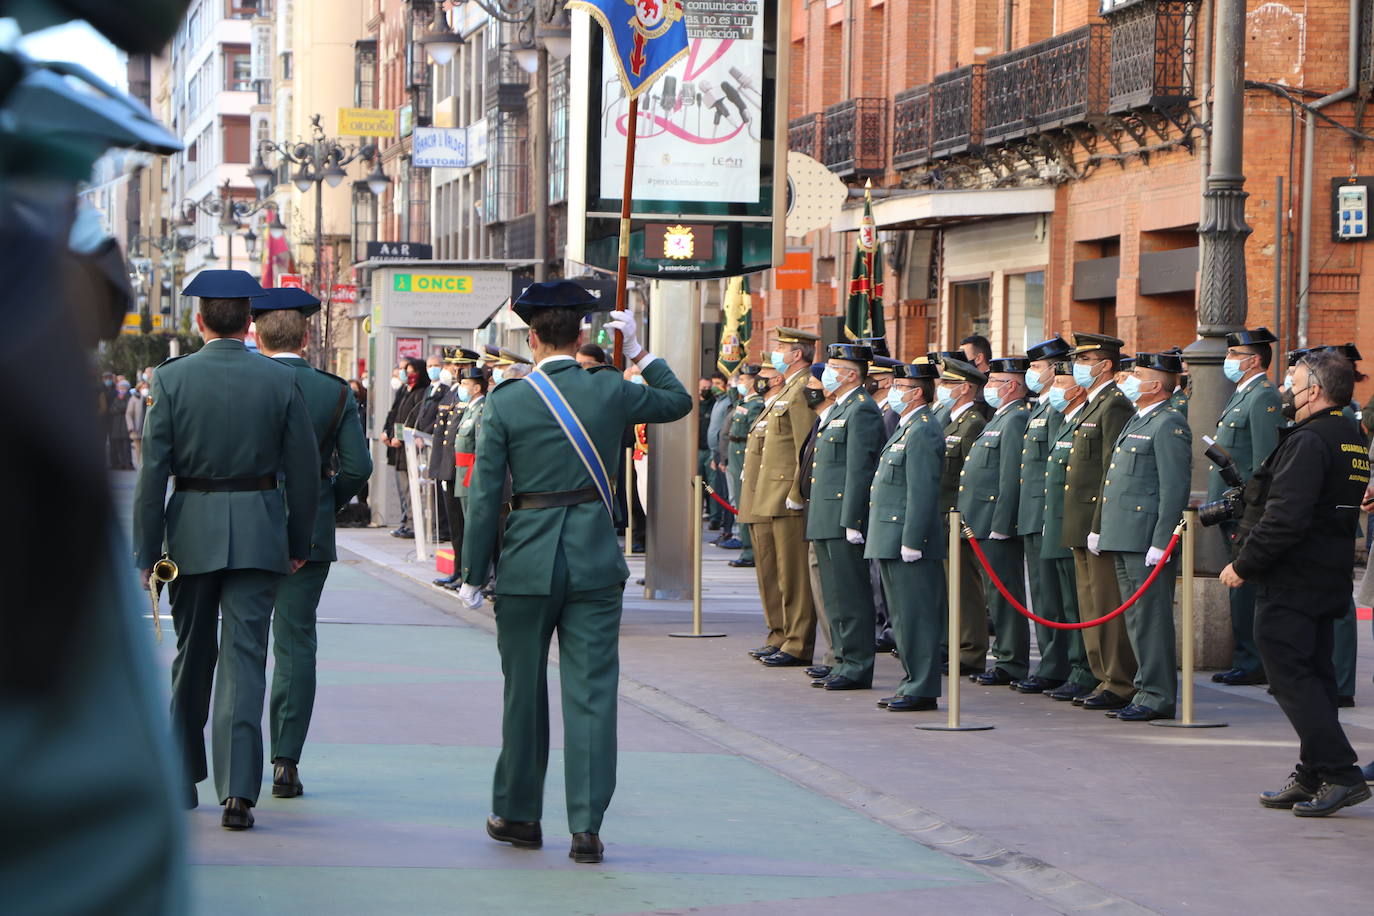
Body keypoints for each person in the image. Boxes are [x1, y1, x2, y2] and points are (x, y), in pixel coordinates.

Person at [456, 280, 691, 863]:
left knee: (523, 694)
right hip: (592, 561)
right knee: (591, 693)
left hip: (527, 561)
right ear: (584, 333)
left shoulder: (507, 401)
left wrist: (471, 570)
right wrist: (638, 350)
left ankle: (517, 813)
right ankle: (586, 825)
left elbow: (484, 497)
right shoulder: (610, 389)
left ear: (531, 337)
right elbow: (677, 399)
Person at [132, 270, 319, 830]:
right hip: (261, 530)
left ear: (199, 320)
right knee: (245, 657)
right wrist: (297, 541)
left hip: (190, 530)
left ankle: (182, 773)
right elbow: (304, 473)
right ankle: (238, 791)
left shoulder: (170, 380)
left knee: (192, 654)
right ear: (249, 323)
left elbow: (152, 477)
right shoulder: (279, 382)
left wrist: (145, 552)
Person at [1223, 349, 1370, 816]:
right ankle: (1312, 773)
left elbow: (1285, 517)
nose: (1288, 387)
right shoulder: (1348, 433)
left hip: (1295, 576)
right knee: (1316, 675)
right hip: (1326, 572)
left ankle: (1341, 772)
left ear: (1316, 390)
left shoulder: (1310, 440)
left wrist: (1244, 565)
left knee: (1290, 678)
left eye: (1295, 380)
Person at [250, 287, 371, 796]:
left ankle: (235, 765)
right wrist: (325, 500)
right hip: (309, 531)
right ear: (305, 336)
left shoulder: (245, 380)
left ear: (256, 333)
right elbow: (358, 468)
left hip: (246, 524)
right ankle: (286, 762)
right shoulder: (333, 390)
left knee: (242, 645)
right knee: (296, 643)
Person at [1097, 352, 1191, 721]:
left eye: (1137, 374)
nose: (1129, 379)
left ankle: (1158, 694)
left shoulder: (1168, 423)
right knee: (1136, 619)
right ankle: (1143, 688)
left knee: (1150, 618)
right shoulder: (1141, 418)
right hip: (1125, 534)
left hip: (1145, 538)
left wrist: (1162, 540)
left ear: (1155, 385)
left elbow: (1174, 487)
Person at [1063, 333, 1137, 711]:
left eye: (1086, 358)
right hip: (1079, 520)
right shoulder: (1094, 403)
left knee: (1105, 604)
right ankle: (1100, 674)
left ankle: (1119, 681)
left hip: (1097, 521)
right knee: (1089, 605)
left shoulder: (1114, 405)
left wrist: (1098, 525)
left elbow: (1110, 470)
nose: (1079, 365)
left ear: (1105, 364)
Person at [868, 360, 946, 711]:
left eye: (900, 387)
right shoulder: (907, 426)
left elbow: (922, 491)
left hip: (907, 539)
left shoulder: (924, 429)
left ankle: (922, 686)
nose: (893, 392)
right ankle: (911, 681)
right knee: (902, 616)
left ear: (916, 392)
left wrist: (913, 539)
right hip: (890, 536)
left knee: (916, 616)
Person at [1209, 328, 1285, 688]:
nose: (1229, 361)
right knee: (1239, 584)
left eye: (1235, 354)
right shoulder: (1243, 394)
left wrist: (1252, 508)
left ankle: (1252, 659)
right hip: (1232, 505)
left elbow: (1265, 461)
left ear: (1253, 359)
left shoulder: (1262, 396)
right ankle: (1247, 656)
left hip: (1245, 509)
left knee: (1246, 584)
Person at [806, 344, 884, 688]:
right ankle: (840, 658)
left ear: (852, 374)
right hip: (824, 512)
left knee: (850, 594)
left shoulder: (861, 410)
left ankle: (856, 664)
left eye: (836, 366)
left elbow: (859, 469)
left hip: (841, 514)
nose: (828, 372)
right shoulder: (840, 408)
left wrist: (854, 519)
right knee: (833, 593)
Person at [746, 328, 822, 666]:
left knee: (793, 574)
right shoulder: (786, 391)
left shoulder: (801, 389)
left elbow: (805, 448)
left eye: (781, 348)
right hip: (768, 493)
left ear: (797, 354)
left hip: (786, 495)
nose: (776, 352)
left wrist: (797, 492)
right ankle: (780, 634)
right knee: (775, 571)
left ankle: (797, 642)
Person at [959, 357, 1033, 686]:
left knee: (1004, 594)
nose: (988, 388)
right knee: (994, 593)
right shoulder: (999, 418)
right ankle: (1004, 656)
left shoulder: (1015, 419)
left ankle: (1011, 660)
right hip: (981, 520)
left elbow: (1009, 476)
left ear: (1011, 386)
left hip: (994, 522)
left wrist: (1002, 523)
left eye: (994, 382)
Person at [1012, 337, 1075, 694]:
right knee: (1042, 591)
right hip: (1034, 510)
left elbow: (1055, 465)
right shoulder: (1041, 406)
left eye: (1037, 367)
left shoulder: (1057, 408)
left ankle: (1057, 664)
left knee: (1053, 594)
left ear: (1055, 368)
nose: (1031, 374)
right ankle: (1051, 660)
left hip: (1048, 512)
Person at [1041, 362, 1098, 702]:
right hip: (1058, 521)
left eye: (1060, 382)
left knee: (1078, 603)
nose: (1053, 388)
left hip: (1075, 523)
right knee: (1064, 600)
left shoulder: (1083, 420)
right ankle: (1074, 667)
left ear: (1077, 389)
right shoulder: (1062, 420)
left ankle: (1084, 670)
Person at [936, 357, 988, 674]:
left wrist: (962, 518)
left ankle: (970, 651)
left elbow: (968, 477)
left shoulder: (972, 424)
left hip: (957, 518)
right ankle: (951, 644)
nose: (942, 389)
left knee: (964, 589)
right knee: (947, 586)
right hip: (940, 516)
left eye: (948, 384)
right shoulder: (947, 419)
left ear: (965, 388)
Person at [432, 347, 478, 586]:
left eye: (461, 367)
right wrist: (437, 468)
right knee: (455, 525)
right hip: (448, 467)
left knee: (466, 524)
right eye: (453, 366)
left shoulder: (473, 397)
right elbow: (441, 434)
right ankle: (458, 569)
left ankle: (468, 572)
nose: (455, 371)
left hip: (463, 469)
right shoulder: (451, 394)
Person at [383, 357, 428, 538]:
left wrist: (400, 437)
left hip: (409, 447)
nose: (406, 374)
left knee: (411, 488)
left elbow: (413, 418)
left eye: (410, 371)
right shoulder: (404, 390)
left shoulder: (421, 392)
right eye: (404, 370)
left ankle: (412, 523)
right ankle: (405, 520)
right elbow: (394, 414)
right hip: (399, 447)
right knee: (403, 488)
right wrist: (389, 433)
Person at [725, 365, 764, 566]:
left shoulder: (756, 404)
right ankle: (747, 549)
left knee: (743, 503)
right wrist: (733, 384)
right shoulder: (744, 402)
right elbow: (733, 400)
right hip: (734, 456)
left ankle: (749, 552)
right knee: (737, 502)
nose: (739, 383)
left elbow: (751, 435)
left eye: (743, 380)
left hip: (742, 455)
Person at [960, 334, 995, 419]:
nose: (960, 361)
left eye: (963, 356)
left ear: (979, 358)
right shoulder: (964, 382)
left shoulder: (992, 385)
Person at [127, 373, 148, 469]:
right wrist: (131, 427)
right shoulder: (134, 398)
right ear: (139, 388)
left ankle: (146, 465)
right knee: (138, 448)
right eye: (143, 387)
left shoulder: (150, 398)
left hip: (147, 427)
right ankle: (140, 466)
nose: (145, 389)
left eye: (146, 387)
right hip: (136, 428)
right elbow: (129, 414)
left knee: (147, 448)